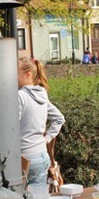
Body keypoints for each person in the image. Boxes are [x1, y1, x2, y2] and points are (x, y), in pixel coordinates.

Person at [17, 57, 65, 185]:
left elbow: (12, 128)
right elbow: (59, 118)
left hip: (25, 157)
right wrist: (47, 138)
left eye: (15, 73)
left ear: (28, 75)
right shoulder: (42, 94)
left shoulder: (20, 96)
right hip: (42, 155)